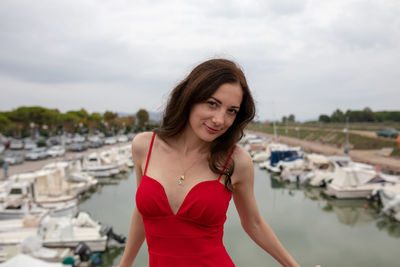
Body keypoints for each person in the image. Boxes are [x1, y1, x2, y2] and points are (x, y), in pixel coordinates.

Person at [117, 59, 299, 267]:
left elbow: (254, 224)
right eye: (212, 104)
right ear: (190, 98)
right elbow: (142, 211)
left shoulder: (236, 162)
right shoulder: (144, 147)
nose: (220, 120)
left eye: (231, 111)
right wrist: (124, 264)